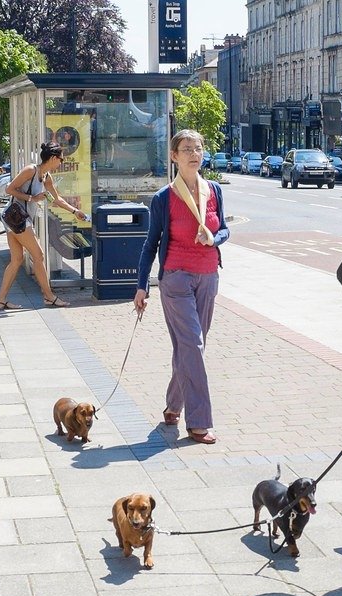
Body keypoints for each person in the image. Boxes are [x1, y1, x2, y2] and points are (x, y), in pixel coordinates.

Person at [134, 130, 231, 445]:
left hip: (208, 276)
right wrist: (141, 287)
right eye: (186, 149)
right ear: (174, 156)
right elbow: (151, 244)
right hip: (176, 278)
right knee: (193, 346)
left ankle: (173, 405)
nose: (194, 153)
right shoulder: (164, 197)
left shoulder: (213, 189)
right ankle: (199, 422)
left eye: (198, 148)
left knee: (191, 348)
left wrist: (213, 238)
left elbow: (225, 229)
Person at [0, 143, 85, 310]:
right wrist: (32, 198)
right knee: (39, 255)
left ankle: (0, 300)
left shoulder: (46, 176)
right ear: (52, 158)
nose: (61, 163)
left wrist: (75, 211)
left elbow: (57, 199)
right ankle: (49, 297)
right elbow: (9, 189)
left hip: (15, 220)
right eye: (60, 159)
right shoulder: (30, 170)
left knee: (17, 260)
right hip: (18, 218)